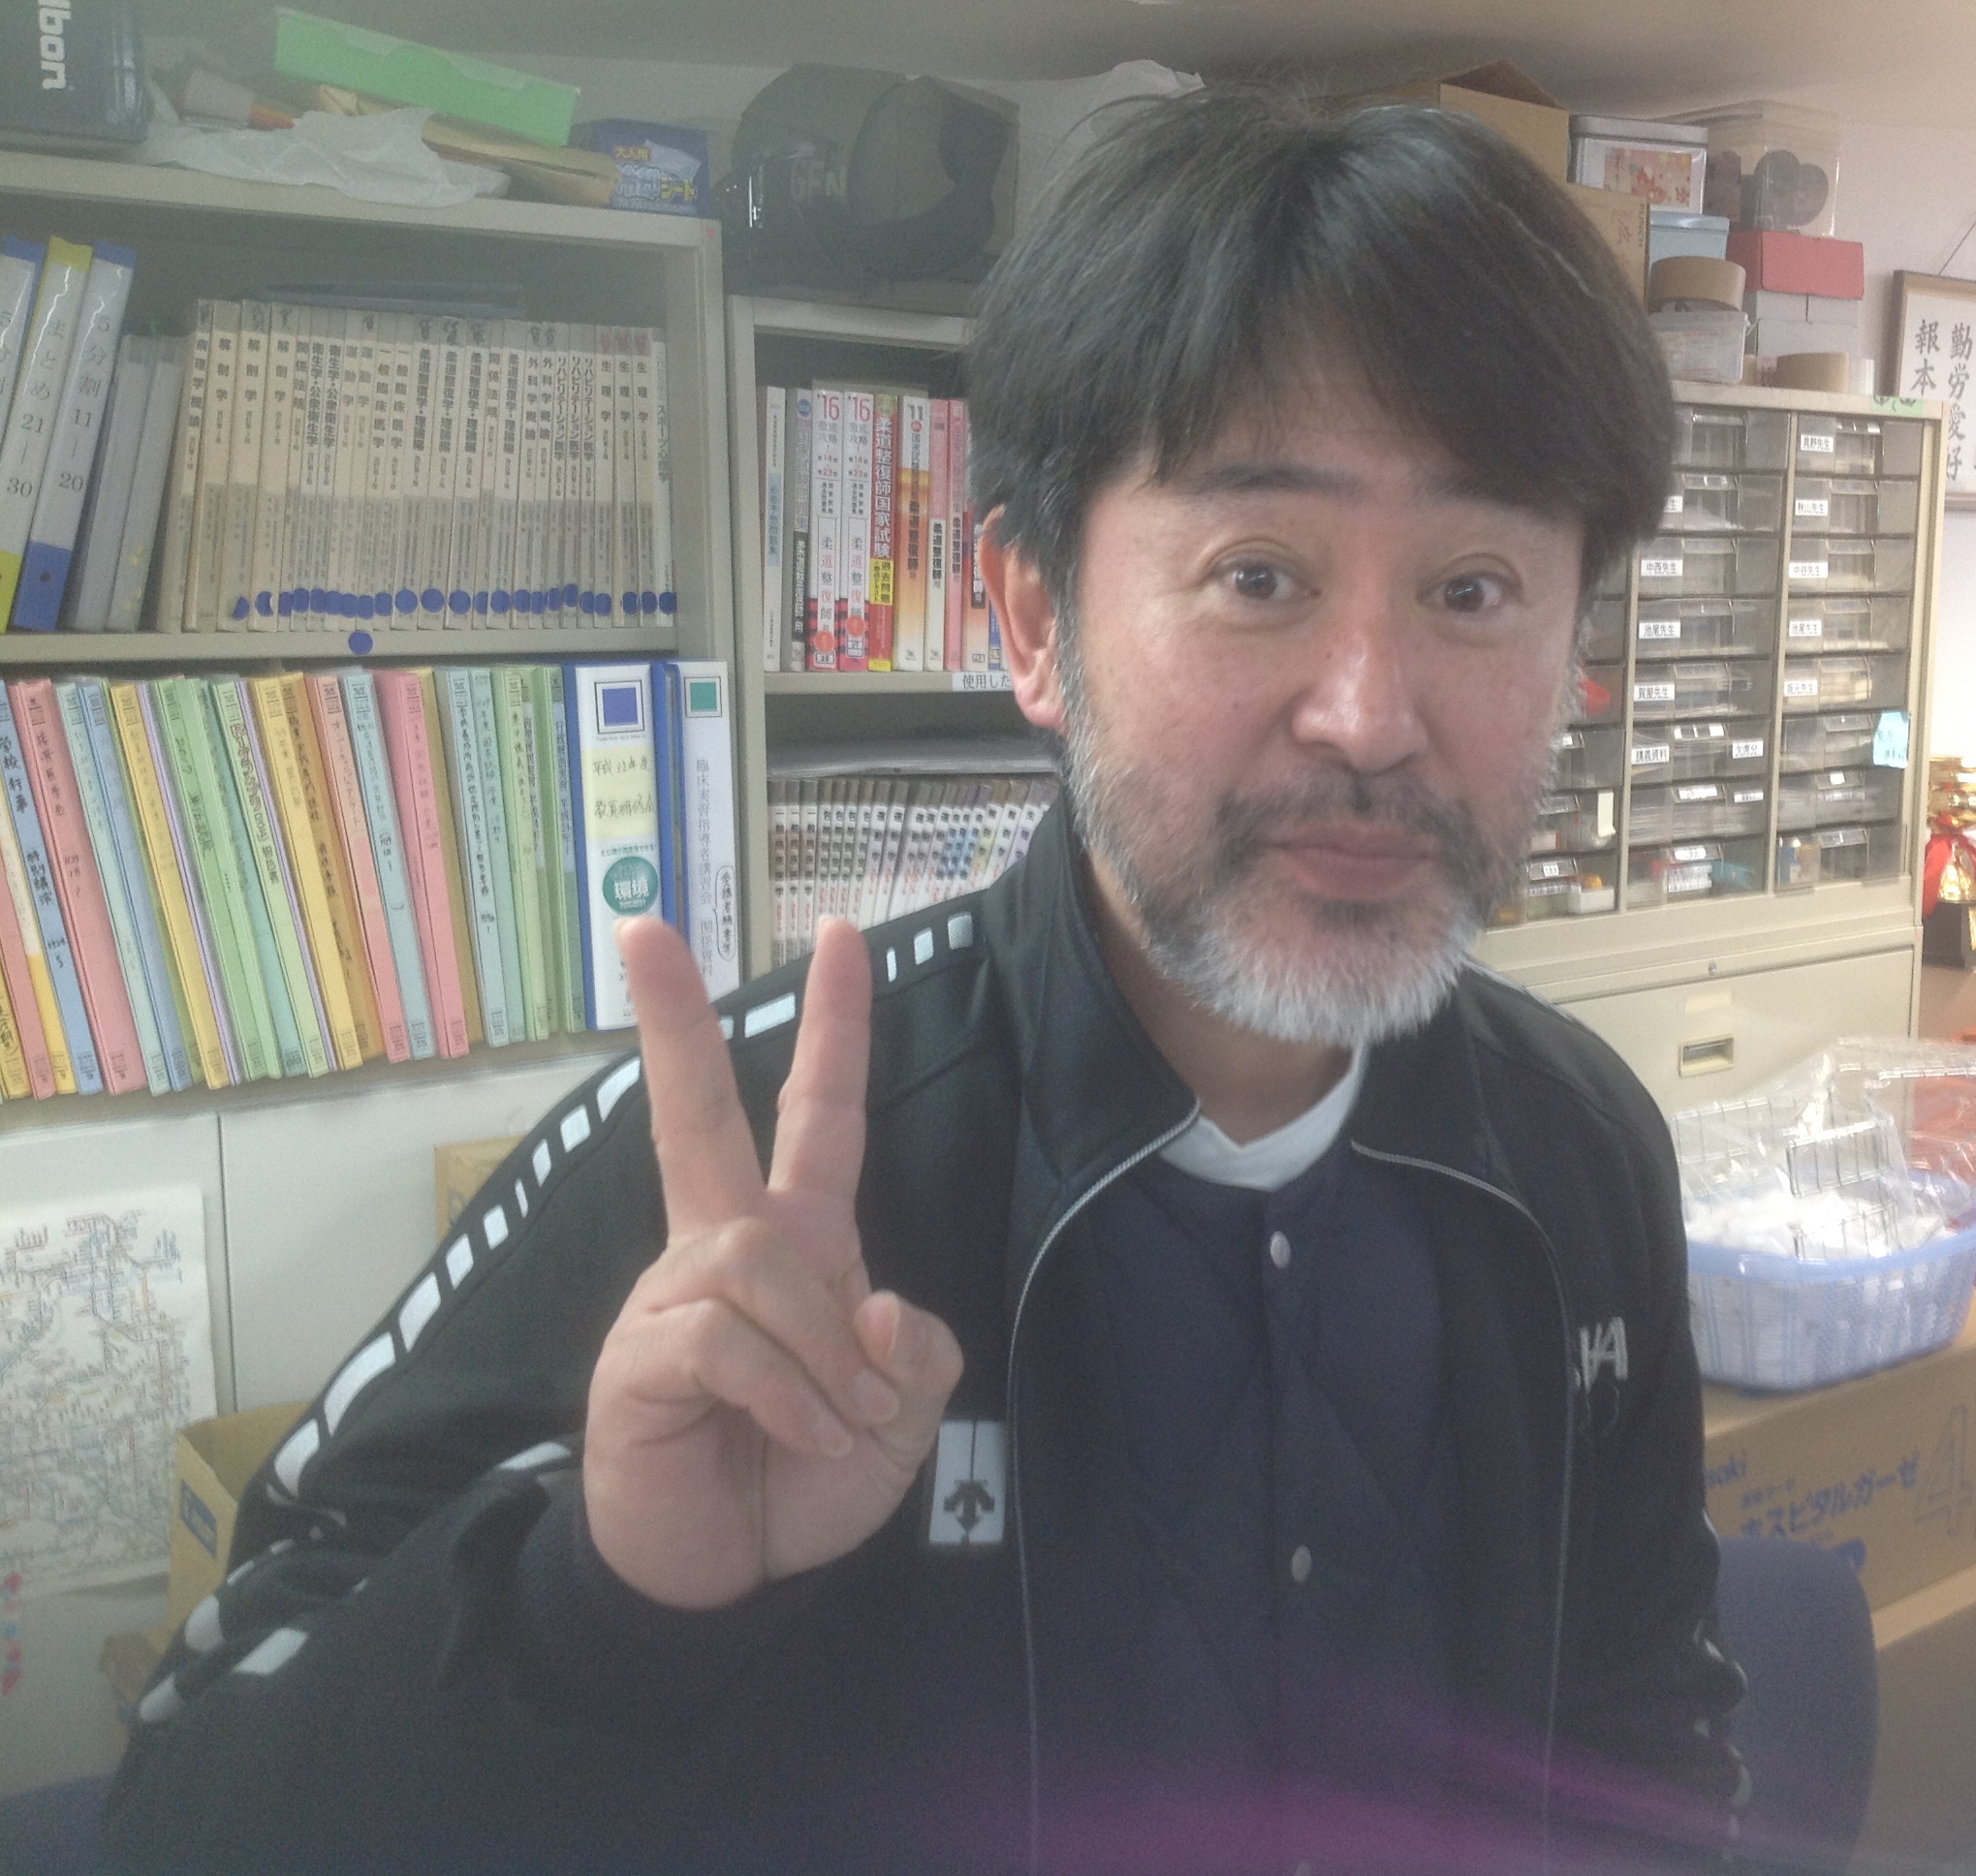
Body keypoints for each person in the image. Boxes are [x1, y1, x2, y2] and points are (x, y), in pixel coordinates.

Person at [107, 87, 1746, 1875]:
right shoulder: (738, 1179)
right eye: (1260, 573)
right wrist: (606, 1602)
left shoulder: (1581, 1154)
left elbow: (1649, 1736)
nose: (1368, 715)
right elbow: (187, 1790)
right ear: (1034, 620)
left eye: (1477, 589)